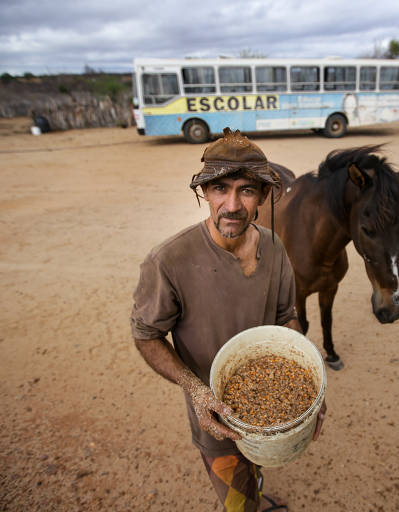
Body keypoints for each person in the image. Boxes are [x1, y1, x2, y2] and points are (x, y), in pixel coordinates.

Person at [131, 128, 326, 512]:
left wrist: (312, 379)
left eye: (247, 190)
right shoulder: (169, 261)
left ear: (263, 196)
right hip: (217, 418)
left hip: (272, 420)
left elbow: (287, 317)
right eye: (220, 189)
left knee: (256, 465)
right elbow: (146, 335)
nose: (232, 205)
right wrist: (196, 389)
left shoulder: (273, 246)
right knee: (239, 502)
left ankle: (256, 490)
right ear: (205, 193)